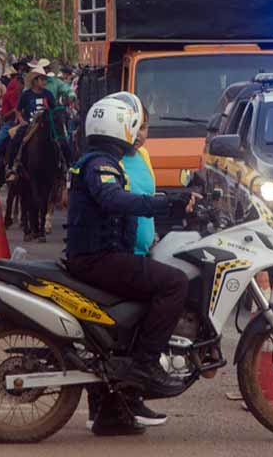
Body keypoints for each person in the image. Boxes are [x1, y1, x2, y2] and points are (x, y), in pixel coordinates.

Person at [65, 93, 192, 403]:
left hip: (105, 256)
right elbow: (113, 199)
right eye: (133, 126)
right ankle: (146, 364)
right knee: (175, 282)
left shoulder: (104, 161)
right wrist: (162, 205)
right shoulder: (100, 164)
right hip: (100, 259)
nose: (136, 133)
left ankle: (119, 407)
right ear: (118, 128)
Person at [4, 67, 56, 183]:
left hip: (45, 124)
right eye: (42, 79)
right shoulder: (26, 94)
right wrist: (21, 120)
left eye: (45, 80)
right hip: (29, 124)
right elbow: (18, 109)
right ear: (35, 81)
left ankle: (63, 166)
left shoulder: (48, 94)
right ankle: (12, 167)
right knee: (16, 140)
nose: (44, 82)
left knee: (59, 141)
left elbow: (54, 109)